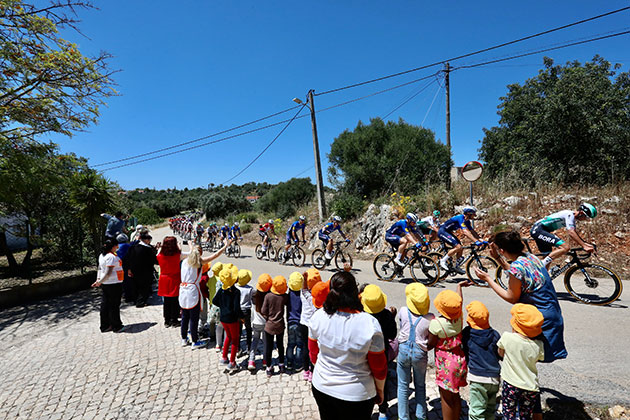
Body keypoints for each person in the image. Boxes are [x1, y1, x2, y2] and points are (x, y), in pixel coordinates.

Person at [475, 229, 567, 364]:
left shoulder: (517, 268)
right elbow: (517, 273)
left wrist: (488, 279)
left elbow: (512, 298)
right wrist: (498, 259)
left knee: (521, 358)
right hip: (552, 314)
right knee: (529, 359)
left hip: (539, 319)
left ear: (501, 250)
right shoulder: (531, 257)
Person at [308, 271, 386, 420]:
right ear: (355, 293)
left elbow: (313, 354)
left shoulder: (318, 317)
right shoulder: (369, 324)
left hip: (322, 387)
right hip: (357, 394)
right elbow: (379, 367)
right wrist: (380, 390)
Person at [427, 285, 469, 420]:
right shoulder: (459, 318)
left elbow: (430, 344)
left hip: (446, 364)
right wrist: (459, 287)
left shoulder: (436, 324)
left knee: (446, 398)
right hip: (459, 359)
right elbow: (459, 302)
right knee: (455, 395)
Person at [498, 304, 545, 420]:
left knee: (508, 414)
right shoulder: (539, 345)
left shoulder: (507, 337)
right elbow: (537, 359)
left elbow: (500, 353)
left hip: (511, 385)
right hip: (530, 387)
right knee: (526, 416)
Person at [180, 241, 229, 350]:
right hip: (192, 291)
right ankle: (194, 341)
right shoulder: (199, 263)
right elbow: (215, 255)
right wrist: (225, 246)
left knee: (185, 316)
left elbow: (192, 250)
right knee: (194, 317)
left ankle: (184, 339)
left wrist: (189, 244)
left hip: (183, 289)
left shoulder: (183, 261)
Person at [396, 283, 434, 420]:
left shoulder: (403, 311)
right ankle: (420, 415)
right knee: (420, 385)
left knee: (402, 385)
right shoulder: (430, 318)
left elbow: (402, 326)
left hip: (404, 349)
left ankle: (403, 416)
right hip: (420, 353)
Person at [360, 284, 397, 420]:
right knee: (384, 382)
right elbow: (392, 335)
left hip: (365, 355)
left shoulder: (361, 316)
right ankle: (383, 412)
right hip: (382, 354)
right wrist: (392, 317)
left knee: (367, 382)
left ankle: (367, 411)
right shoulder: (387, 315)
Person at [461, 301, 501, 420]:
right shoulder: (495, 334)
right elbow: (499, 355)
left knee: (476, 412)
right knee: (490, 409)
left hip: (477, 378)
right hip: (494, 378)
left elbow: (464, 350)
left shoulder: (468, 333)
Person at [530, 203, 596, 271]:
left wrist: (585, 244)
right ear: (581, 213)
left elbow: (575, 234)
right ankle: (540, 265)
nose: (585, 219)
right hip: (539, 230)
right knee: (565, 247)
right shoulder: (569, 215)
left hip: (543, 230)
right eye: (587, 217)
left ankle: (542, 278)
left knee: (547, 257)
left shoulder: (571, 218)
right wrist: (584, 245)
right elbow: (571, 232)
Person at [212, 264, 243, 372]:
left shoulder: (221, 290)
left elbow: (214, 301)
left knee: (228, 337)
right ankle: (232, 362)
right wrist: (242, 317)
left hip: (223, 318)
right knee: (235, 340)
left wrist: (223, 306)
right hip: (232, 319)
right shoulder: (236, 292)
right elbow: (236, 308)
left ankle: (224, 357)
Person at [92, 238, 125, 333]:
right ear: (113, 246)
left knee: (105, 304)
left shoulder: (102, 256)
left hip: (107, 283)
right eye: (116, 245)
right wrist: (99, 282)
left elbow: (99, 269)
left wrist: (99, 279)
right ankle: (116, 326)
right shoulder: (111, 257)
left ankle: (105, 325)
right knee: (114, 305)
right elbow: (108, 272)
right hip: (113, 283)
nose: (118, 247)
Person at [438, 206, 483, 275]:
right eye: (474, 213)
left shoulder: (467, 222)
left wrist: (480, 239)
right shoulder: (460, 218)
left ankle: (457, 266)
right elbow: (465, 232)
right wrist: (475, 241)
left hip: (448, 232)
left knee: (460, 248)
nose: (475, 215)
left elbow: (472, 231)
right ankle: (443, 261)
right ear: (469, 213)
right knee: (458, 247)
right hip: (442, 231)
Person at [261, 275, 289, 377]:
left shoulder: (268, 296)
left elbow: (263, 311)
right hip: (280, 324)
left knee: (268, 347)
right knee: (280, 345)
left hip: (269, 325)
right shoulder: (284, 297)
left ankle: (268, 367)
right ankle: (281, 364)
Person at [299, 268, 322, 382]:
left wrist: (304, 278)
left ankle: (305, 371)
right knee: (313, 348)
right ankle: (313, 371)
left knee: (305, 347)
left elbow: (303, 289)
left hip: (303, 323)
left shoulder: (304, 294)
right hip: (313, 326)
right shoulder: (318, 298)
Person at [125, 232, 158, 308]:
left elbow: (128, 259)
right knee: (144, 287)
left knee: (135, 286)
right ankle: (141, 302)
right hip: (145, 271)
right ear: (145, 240)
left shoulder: (133, 247)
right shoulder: (148, 249)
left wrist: (129, 269)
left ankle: (135, 300)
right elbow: (153, 260)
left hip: (134, 270)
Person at [156, 236, 183, 327]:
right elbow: (187, 254)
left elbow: (158, 252)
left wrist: (160, 247)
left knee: (166, 301)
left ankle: (167, 320)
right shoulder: (178, 255)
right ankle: (174, 319)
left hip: (164, 278)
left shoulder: (160, 255)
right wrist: (180, 247)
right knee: (175, 300)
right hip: (174, 278)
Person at [249, 273, 272, 371]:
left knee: (255, 340)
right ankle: (265, 360)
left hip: (255, 322)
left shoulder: (254, 296)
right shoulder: (269, 297)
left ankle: (251, 360)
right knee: (265, 342)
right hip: (265, 323)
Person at [286, 272, 304, 372]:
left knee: (290, 344)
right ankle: (297, 364)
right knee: (299, 345)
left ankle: (288, 362)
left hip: (290, 322)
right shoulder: (302, 296)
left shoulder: (288, 295)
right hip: (299, 322)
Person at [235, 269, 253, 357]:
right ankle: (249, 347)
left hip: (237, 311)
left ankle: (238, 349)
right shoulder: (250, 289)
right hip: (246, 311)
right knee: (248, 329)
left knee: (238, 330)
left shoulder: (235, 287)